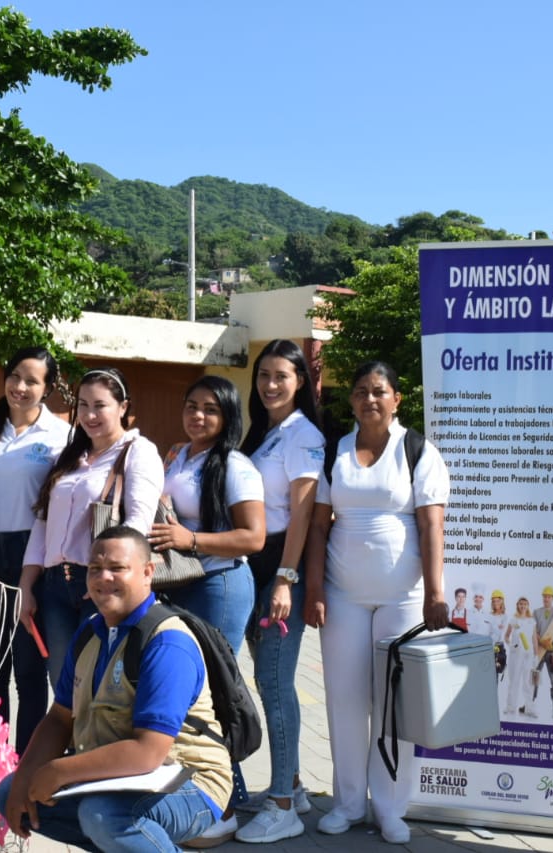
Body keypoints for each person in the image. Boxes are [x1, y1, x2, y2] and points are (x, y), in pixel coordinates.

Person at [0, 526, 232, 851]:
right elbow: (60, 719)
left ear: (148, 572)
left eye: (117, 568)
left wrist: (57, 771)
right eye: (94, 569)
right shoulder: (90, 632)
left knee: (104, 816)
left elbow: (148, 752)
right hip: (123, 775)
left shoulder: (167, 642)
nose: (102, 577)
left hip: (190, 780)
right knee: (12, 792)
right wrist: (26, 776)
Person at [304, 360, 449, 843]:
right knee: (345, 701)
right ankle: (347, 803)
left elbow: (431, 525)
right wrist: (317, 589)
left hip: (403, 599)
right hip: (343, 597)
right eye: (361, 391)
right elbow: (320, 526)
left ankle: (390, 807)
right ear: (351, 401)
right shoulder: (336, 452)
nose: (370, 399)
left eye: (379, 391)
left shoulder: (418, 450)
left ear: (396, 399)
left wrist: (435, 593)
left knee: (393, 706)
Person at [149, 376, 265, 846]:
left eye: (210, 410)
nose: (199, 416)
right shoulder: (180, 455)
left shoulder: (236, 465)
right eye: (192, 406)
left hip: (219, 584)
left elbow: (253, 538)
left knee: (215, 690)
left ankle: (227, 802)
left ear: (228, 416)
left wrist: (190, 539)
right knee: (184, 691)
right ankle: (196, 793)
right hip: (180, 583)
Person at [231, 339, 324, 844]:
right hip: (255, 566)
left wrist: (287, 579)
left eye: (280, 376)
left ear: (300, 382)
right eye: (263, 375)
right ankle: (292, 781)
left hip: (278, 573)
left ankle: (283, 806)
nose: (269, 385)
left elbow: (304, 513)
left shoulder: (303, 435)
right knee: (270, 680)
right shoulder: (264, 432)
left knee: (274, 680)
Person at [20, 367, 163, 687]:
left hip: (102, 585)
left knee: (97, 685)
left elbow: (137, 524)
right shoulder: (71, 456)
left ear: (123, 407)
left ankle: (93, 741)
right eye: (83, 405)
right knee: (63, 686)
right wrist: (27, 585)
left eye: (100, 405)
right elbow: (43, 523)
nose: (89, 414)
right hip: (55, 586)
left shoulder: (137, 451)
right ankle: (70, 740)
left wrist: (105, 575)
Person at [0, 346, 70, 753]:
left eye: (32, 380)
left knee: (29, 670)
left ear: (47, 389)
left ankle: (25, 761)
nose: (20, 386)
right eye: (15, 376)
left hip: (34, 559)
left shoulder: (61, 436)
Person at [505, 596, 537, 717]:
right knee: (514, 680)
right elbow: (507, 636)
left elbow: (534, 639)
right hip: (516, 654)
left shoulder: (531, 621)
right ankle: (510, 706)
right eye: (521, 604)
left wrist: (536, 655)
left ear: (528, 606)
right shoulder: (513, 620)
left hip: (528, 655)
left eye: (525, 604)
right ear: (517, 605)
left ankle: (529, 708)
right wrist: (511, 645)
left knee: (528, 682)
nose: (523, 606)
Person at [532, 586, 553, 712]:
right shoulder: (536, 612)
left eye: (549, 596)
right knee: (534, 675)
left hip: (552, 650)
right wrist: (540, 640)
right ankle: (530, 702)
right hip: (539, 648)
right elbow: (533, 631)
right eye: (544, 596)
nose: (546, 599)